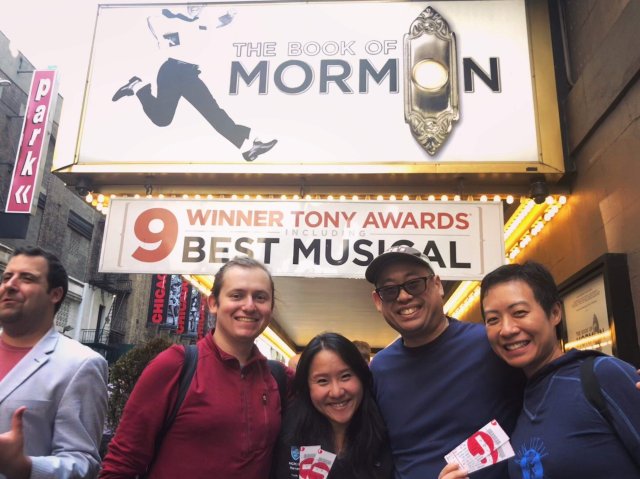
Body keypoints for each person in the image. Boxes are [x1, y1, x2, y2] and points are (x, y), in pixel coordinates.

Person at [100, 256, 293, 478]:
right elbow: (122, 463)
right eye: (236, 295)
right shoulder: (174, 366)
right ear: (213, 303)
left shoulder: (279, 378)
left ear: (271, 308)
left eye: (260, 297)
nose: (249, 306)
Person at [364, 245, 524, 479]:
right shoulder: (379, 369)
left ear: (438, 285)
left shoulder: (489, 344)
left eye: (414, 283)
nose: (403, 296)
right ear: (378, 301)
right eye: (389, 290)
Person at [476, 261, 640, 478]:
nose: (506, 330)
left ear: (554, 313)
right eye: (493, 320)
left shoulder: (603, 375)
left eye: (519, 312)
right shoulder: (518, 400)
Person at [111, 4, 277, 162]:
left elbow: (222, 21)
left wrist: (230, 14)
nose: (195, 7)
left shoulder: (204, 23)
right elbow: (151, 20)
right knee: (162, 120)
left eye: (200, 5)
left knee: (212, 112)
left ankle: (249, 146)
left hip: (189, 74)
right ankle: (138, 87)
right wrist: (172, 17)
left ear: (204, 7)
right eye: (192, 4)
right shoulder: (171, 18)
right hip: (170, 71)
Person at [0, 246, 108, 479]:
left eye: (27, 278)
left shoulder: (81, 364)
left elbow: (83, 463)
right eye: (7, 277)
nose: (10, 285)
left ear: (55, 294)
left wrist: (24, 466)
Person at [273, 332, 393, 479]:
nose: (336, 392)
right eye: (322, 381)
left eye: (345, 376)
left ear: (362, 378)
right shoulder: (291, 434)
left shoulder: (386, 433)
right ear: (306, 387)